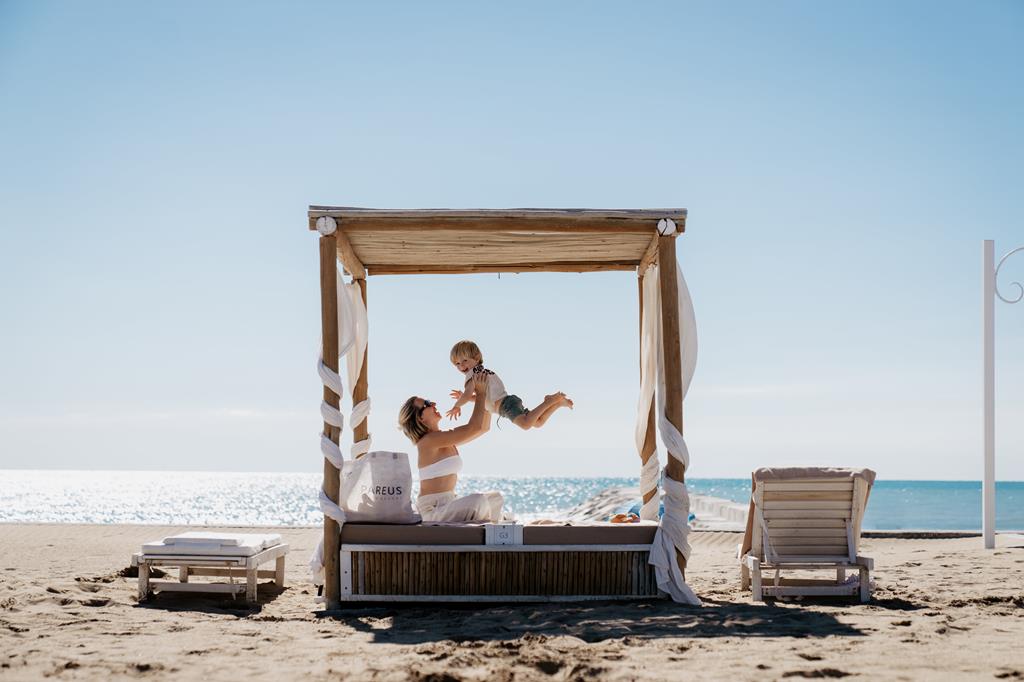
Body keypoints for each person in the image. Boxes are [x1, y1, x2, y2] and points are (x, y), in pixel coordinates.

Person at [398, 371, 505, 523]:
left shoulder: (443, 439)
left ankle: (494, 528)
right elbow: (473, 427)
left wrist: (486, 396)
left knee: (495, 498)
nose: (434, 404)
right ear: (420, 418)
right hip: (433, 510)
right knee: (478, 501)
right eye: (427, 404)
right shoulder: (427, 442)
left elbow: (482, 428)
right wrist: (480, 394)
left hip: (449, 503)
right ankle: (488, 525)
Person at [444, 340, 572, 429]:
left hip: (506, 406)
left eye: (465, 360)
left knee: (526, 425)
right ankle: (558, 403)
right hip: (508, 402)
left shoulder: (472, 375)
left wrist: (457, 405)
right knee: (537, 422)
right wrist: (464, 397)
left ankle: (550, 401)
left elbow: (467, 394)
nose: (461, 366)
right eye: (457, 363)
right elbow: (480, 398)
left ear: (476, 358)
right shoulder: (483, 372)